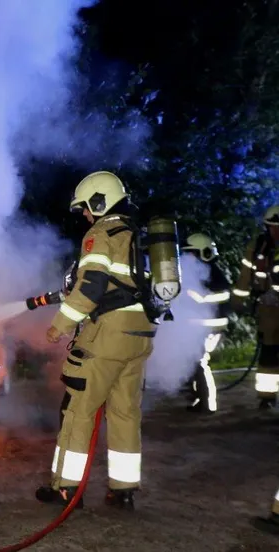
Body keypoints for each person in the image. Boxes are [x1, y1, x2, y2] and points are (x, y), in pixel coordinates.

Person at [36, 171, 157, 511]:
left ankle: (66, 488)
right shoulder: (138, 235)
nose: (86, 216)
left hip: (108, 335)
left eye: (87, 208)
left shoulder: (101, 233)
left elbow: (90, 287)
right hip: (140, 334)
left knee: (79, 412)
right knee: (125, 414)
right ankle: (123, 491)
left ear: (99, 201)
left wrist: (58, 326)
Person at [230, 205, 279, 410]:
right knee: (268, 352)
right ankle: (267, 396)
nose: (275, 231)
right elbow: (245, 275)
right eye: (271, 227)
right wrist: (238, 301)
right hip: (268, 309)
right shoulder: (258, 245)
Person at [180, 233, 231, 413]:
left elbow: (214, 297)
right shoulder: (197, 273)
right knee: (193, 363)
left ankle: (208, 403)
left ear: (205, 253)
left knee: (200, 362)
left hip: (211, 328)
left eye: (192, 254)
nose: (189, 258)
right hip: (199, 327)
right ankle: (197, 399)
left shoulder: (214, 274)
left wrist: (192, 294)